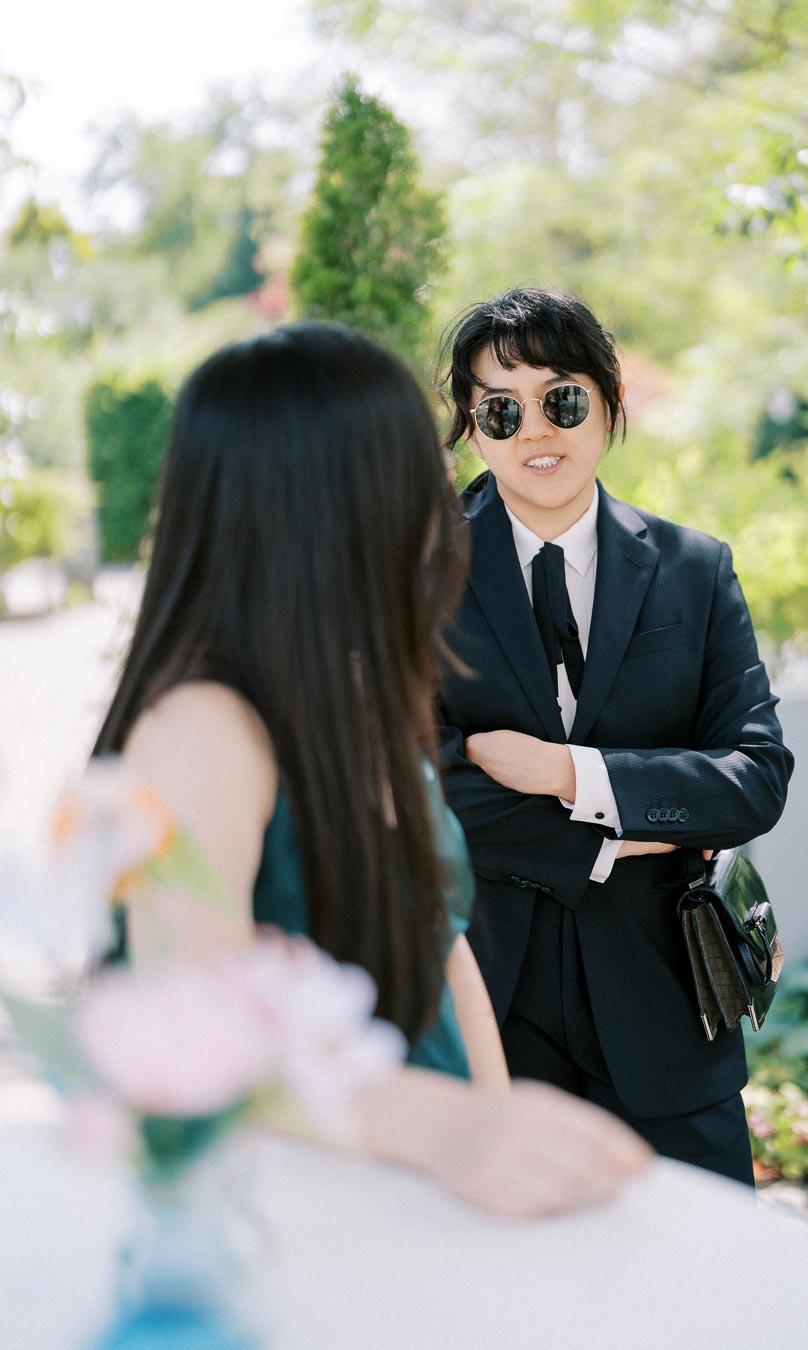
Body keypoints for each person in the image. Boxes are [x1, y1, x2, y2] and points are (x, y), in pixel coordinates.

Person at [92, 320, 650, 1217]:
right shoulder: (203, 726)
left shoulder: (354, 696)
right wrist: (449, 1131)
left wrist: (498, 1132)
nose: (442, 503)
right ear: (336, 503)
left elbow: (443, 945)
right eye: (416, 472)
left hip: (423, 1201)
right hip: (299, 1215)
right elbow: (184, 1029)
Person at [435, 287, 794, 1186]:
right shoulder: (413, 571)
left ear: (608, 400)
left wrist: (571, 774)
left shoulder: (694, 569)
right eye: (500, 411)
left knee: (703, 1299)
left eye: (561, 400)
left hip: (665, 1006)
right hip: (488, 1004)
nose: (535, 431)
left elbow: (755, 777)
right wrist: (626, 834)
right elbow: (419, 785)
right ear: (471, 429)